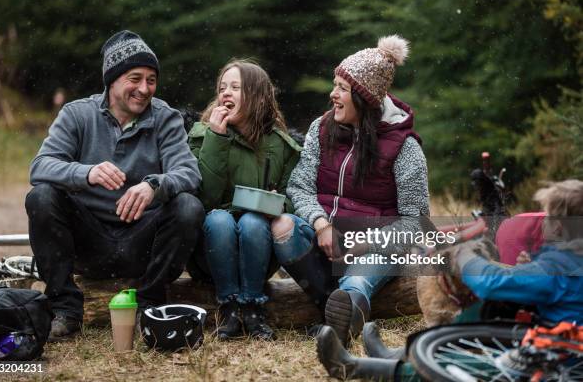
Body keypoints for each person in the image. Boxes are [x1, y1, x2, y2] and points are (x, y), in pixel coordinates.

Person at [25, 30, 204, 341]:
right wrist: (86, 173)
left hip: (142, 243)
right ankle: (65, 309)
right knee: (40, 197)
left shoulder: (166, 118)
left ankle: (149, 304)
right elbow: (40, 167)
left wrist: (154, 185)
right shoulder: (77, 114)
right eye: (135, 78)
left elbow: (189, 173)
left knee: (189, 206)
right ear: (111, 79)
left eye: (151, 79)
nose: (144, 88)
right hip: (88, 244)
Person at [317, 179, 583, 380]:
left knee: (482, 367)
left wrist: (465, 257)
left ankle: (357, 367)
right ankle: (401, 354)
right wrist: (531, 267)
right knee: (497, 310)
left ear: (558, 226)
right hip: (562, 341)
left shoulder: (559, 268)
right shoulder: (570, 261)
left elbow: (491, 282)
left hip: (561, 362)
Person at [271, 35, 429, 345]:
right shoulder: (321, 128)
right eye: (335, 85)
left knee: (356, 280)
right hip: (324, 238)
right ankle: (335, 309)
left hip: (375, 248)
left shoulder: (405, 148)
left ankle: (344, 315)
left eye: (342, 88)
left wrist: (362, 242)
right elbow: (299, 186)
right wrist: (321, 224)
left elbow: (416, 221)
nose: (333, 94)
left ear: (364, 98)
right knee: (283, 226)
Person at [187, 59, 301, 340]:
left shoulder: (281, 145)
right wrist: (216, 137)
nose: (225, 93)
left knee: (252, 221)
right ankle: (228, 307)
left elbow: (295, 197)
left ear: (258, 96)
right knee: (219, 218)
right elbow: (204, 198)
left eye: (235, 87)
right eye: (222, 87)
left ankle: (252, 307)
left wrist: (278, 204)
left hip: (260, 247)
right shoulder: (201, 136)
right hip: (210, 249)